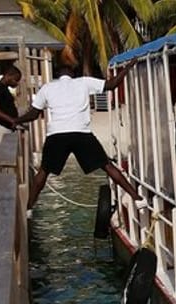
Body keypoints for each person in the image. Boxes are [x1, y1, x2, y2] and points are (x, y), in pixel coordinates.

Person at [14, 62, 141, 210]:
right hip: (81, 133)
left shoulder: (47, 88)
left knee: (44, 171)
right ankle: (136, 197)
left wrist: (16, 120)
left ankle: (29, 207)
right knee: (107, 166)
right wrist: (128, 67)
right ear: (73, 75)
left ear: (57, 75)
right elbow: (112, 85)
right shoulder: (84, 82)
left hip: (57, 134)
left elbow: (34, 114)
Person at [0, 65, 22, 149]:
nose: (16, 83)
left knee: (8, 157)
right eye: (15, 80)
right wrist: (11, 120)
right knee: (3, 157)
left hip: (6, 127)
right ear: (8, 76)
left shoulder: (5, 89)